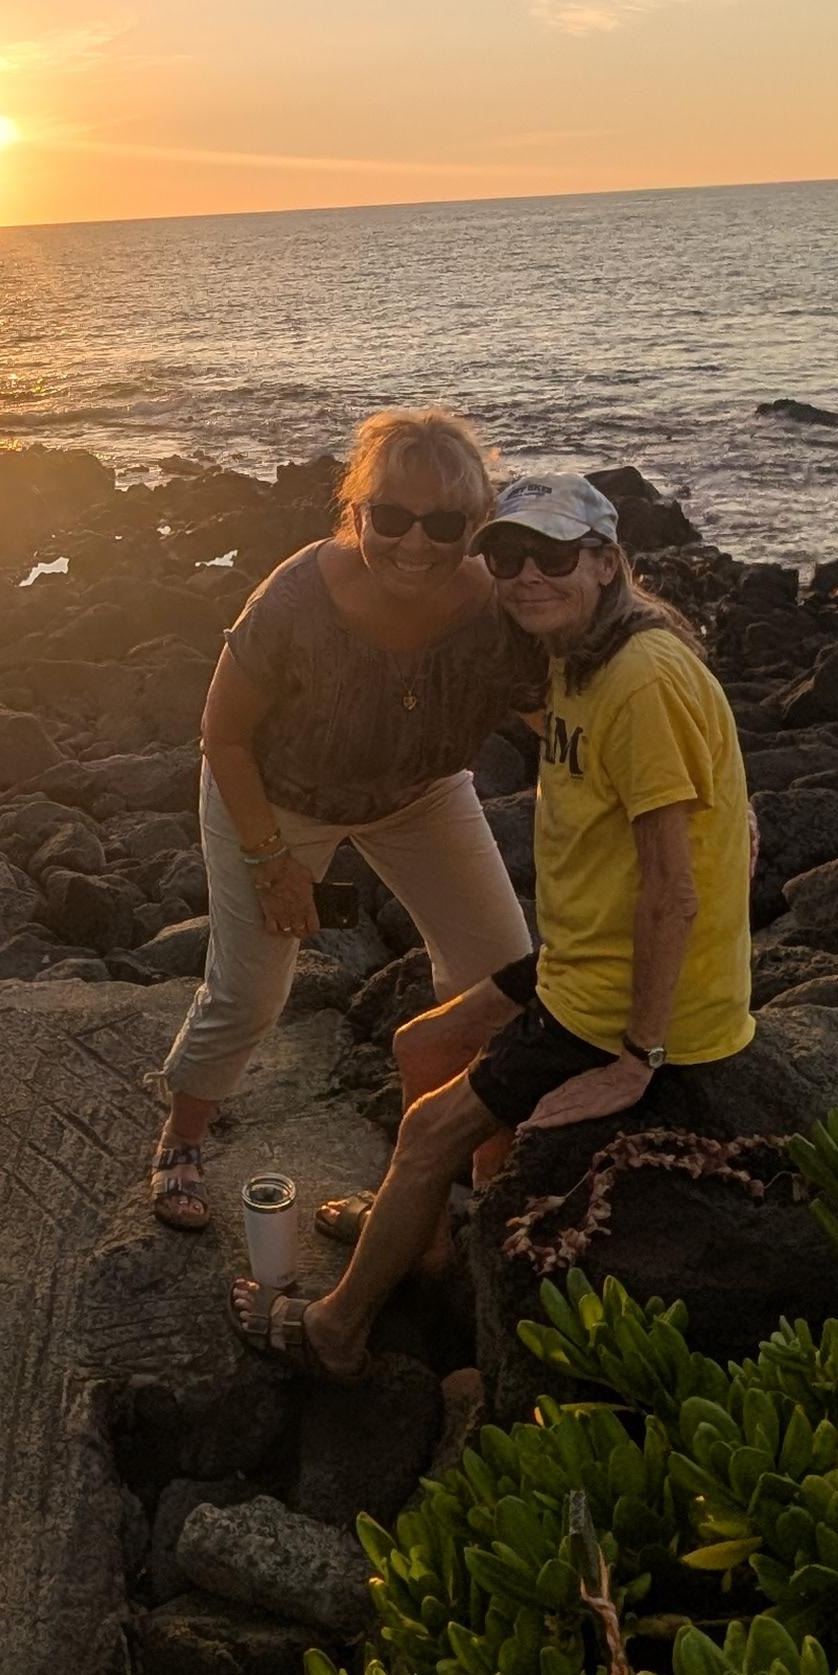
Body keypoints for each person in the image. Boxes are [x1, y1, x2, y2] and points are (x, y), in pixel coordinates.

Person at [229, 470, 755, 1365]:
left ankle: (336, 1330)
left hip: (611, 1002)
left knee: (431, 1127)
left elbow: (674, 887)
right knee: (420, 1047)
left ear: (605, 561)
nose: (524, 576)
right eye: (505, 556)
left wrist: (639, 1057)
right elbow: (725, 812)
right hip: (579, 962)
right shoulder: (578, 659)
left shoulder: (639, 680)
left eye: (550, 554)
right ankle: (424, 1239)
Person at [149, 408, 536, 1227]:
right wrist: (269, 859)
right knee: (252, 989)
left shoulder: (497, 608)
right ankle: (182, 1138)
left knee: (503, 972)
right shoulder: (298, 598)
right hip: (278, 792)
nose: (416, 544)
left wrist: (685, 794)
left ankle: (473, 1156)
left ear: (477, 527)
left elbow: (565, 715)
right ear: (357, 512)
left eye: (444, 524)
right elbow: (222, 732)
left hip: (420, 791)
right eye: (391, 517)